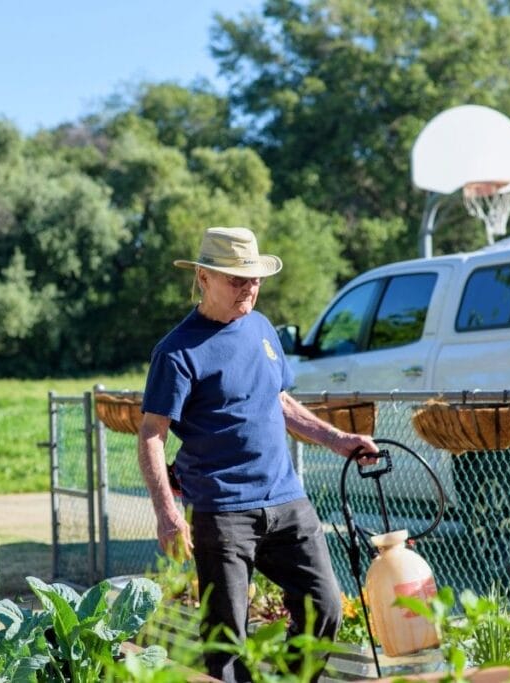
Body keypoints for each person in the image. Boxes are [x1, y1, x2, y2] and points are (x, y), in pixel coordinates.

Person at [137, 226, 379, 682]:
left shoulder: (262, 328)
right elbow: (152, 434)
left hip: (287, 501)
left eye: (254, 279)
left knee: (324, 607)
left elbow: (279, 401)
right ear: (204, 277)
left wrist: (338, 439)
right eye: (236, 279)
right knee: (227, 641)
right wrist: (167, 514)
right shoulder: (176, 352)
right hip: (222, 510)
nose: (248, 288)